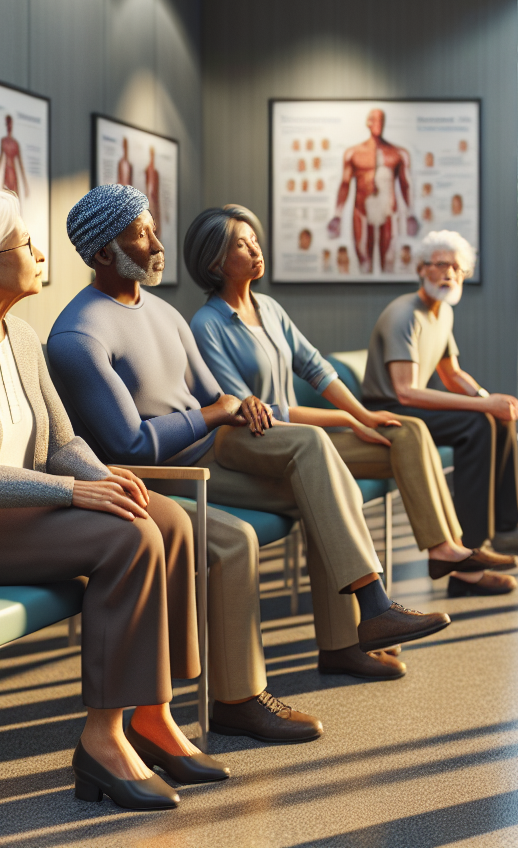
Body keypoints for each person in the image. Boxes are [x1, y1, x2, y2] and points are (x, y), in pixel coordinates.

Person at [0, 190, 229, 811]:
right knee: (125, 536)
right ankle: (103, 741)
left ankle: (152, 714)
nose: (42, 254)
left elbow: (61, 440)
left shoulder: (22, 336)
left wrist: (106, 478)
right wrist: (77, 491)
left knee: (166, 517)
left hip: (6, 516)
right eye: (26, 244)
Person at [49, 186, 450, 690]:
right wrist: (219, 411)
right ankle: (368, 611)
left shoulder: (162, 312)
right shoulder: (79, 335)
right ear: (104, 252)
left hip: (217, 450)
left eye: (153, 230)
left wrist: (242, 407)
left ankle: (349, 642)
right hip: (166, 474)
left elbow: (214, 394)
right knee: (309, 458)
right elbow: (131, 447)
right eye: (140, 236)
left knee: (321, 481)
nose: (155, 245)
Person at [185, 206, 517, 598]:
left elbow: (316, 368)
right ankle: (443, 555)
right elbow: (252, 410)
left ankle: (447, 548)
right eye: (243, 244)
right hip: (266, 440)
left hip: (306, 432)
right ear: (216, 262)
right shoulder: (207, 325)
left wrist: (364, 414)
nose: (256, 250)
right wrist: (345, 418)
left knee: (407, 429)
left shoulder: (270, 309)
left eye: (255, 240)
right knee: (393, 434)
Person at [360, 230, 518, 559]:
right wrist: (483, 404)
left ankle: (509, 529)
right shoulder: (404, 315)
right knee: (477, 425)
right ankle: (473, 546)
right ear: (422, 268)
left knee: (496, 419)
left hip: (408, 403)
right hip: (388, 412)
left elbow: (451, 373)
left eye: (456, 268)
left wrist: (489, 400)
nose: (449, 274)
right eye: (441, 265)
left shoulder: (442, 311)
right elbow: (406, 392)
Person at [328, 108, 418, 274]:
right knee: (363, 261)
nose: (377, 124)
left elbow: (405, 184)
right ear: (367, 122)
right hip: (362, 210)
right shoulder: (353, 153)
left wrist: (410, 213)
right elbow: (345, 184)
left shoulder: (398, 153)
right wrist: (337, 215)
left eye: (380, 120)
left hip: (388, 210)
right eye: (374, 119)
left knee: (389, 260)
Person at [0, 116, 29, 199]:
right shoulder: (3, 141)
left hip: (13, 174)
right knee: (5, 198)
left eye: (10, 124)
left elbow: (20, 164)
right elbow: (0, 158)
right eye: (8, 124)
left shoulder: (15, 143)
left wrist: (25, 185)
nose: (9, 126)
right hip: (6, 173)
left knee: (14, 198)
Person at [145, 146, 161, 226]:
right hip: (149, 200)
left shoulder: (155, 173)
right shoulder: (147, 170)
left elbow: (156, 192)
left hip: (153, 201)